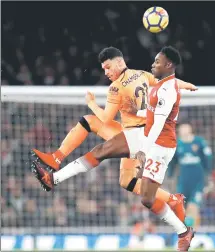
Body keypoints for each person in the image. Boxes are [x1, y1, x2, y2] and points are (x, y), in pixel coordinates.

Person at [32, 46, 195, 251]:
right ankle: (173, 202)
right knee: (127, 182)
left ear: (120, 62)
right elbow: (169, 83)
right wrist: (186, 85)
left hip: (139, 135)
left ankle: (54, 173)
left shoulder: (116, 87)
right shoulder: (143, 74)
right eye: (104, 69)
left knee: (94, 130)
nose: (106, 73)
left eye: (108, 67)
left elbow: (106, 118)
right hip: (141, 134)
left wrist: (91, 103)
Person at [167, 123, 213, 229]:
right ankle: (187, 231)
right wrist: (170, 176)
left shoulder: (199, 142)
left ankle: (193, 233)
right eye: (181, 129)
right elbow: (172, 163)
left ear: (190, 128)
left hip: (198, 182)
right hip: (183, 182)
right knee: (182, 208)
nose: (183, 130)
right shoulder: (177, 145)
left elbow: (208, 158)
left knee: (193, 206)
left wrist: (209, 176)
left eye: (185, 127)